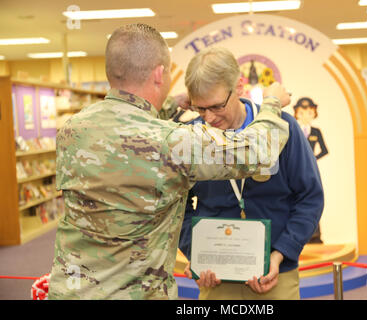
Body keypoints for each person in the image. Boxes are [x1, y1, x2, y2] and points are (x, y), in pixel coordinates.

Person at [47, 24, 292, 300]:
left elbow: (127, 127)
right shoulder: (170, 142)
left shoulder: (72, 130)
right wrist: (271, 103)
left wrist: (169, 104)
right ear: (159, 74)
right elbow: (260, 151)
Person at [178, 47, 324, 300]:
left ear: (240, 87)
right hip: (215, 277)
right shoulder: (189, 137)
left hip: (275, 272)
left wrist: (281, 254)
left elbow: (309, 197)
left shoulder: (283, 127)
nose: (209, 118)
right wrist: (195, 252)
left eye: (216, 106)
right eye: (200, 109)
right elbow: (176, 206)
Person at [293, 97, 328, 244]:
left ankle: (315, 235)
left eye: (309, 112)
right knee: (296, 200)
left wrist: (313, 158)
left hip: (312, 171)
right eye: (302, 112)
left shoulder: (316, 131)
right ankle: (299, 236)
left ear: (314, 113)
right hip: (295, 171)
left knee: (313, 199)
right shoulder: (294, 129)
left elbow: (324, 150)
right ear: (297, 114)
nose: (306, 115)